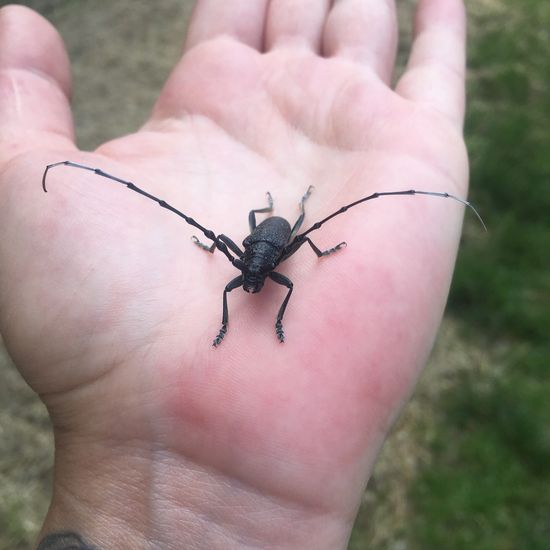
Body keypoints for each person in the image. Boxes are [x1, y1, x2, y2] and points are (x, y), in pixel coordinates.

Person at [0, 1, 469, 548]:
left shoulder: (276, 268)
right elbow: (242, 270)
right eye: (249, 275)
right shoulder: (241, 272)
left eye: (254, 276)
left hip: (279, 231)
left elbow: (280, 257)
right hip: (263, 229)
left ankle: (322, 249)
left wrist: (292, 261)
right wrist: (224, 279)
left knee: (301, 246)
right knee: (233, 251)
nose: (251, 283)